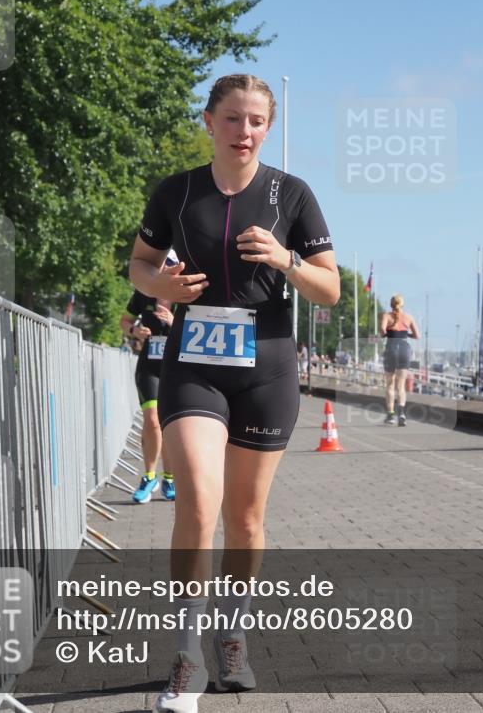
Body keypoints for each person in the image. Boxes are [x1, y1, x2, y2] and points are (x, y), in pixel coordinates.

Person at [128, 74, 339, 713]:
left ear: (266, 128)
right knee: (197, 497)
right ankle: (187, 658)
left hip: (267, 368)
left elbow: (327, 289)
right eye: (232, 119)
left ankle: (232, 633)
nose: (244, 132)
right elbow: (139, 263)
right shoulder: (177, 191)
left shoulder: (291, 194)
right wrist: (161, 290)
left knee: (246, 519)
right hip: (194, 362)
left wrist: (283, 259)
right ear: (209, 121)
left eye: (256, 122)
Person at [120, 252, 179, 504]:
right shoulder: (143, 293)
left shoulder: (184, 295)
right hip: (148, 369)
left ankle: (169, 478)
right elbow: (124, 321)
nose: (163, 268)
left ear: (176, 267)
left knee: (169, 426)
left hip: (176, 370)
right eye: (160, 264)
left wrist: (174, 321)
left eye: (168, 264)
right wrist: (135, 330)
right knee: (153, 421)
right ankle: (149, 476)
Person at [380, 294, 420, 426]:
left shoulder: (387, 316)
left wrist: (387, 333)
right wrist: (405, 333)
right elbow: (417, 335)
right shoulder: (409, 317)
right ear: (402, 304)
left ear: (391, 304)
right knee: (401, 385)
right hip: (404, 349)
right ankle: (401, 413)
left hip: (391, 348)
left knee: (390, 384)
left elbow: (382, 330)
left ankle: (391, 415)